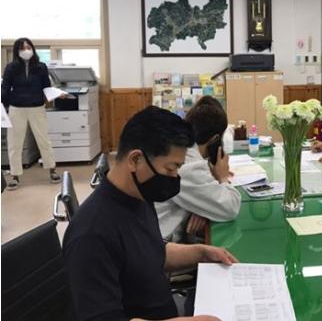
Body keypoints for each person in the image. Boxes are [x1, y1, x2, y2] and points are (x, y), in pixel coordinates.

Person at [63, 106, 237, 320]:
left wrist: (202, 253)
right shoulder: (91, 234)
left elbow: (150, 251)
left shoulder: (139, 196)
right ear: (135, 160)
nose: (175, 177)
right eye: (170, 168)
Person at [156, 96, 241, 243]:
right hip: (162, 245)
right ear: (215, 139)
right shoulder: (189, 167)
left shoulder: (181, 150)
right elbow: (230, 208)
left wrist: (204, 209)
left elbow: (201, 195)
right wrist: (223, 178)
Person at [1, 38, 61, 189]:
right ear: (17, 51)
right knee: (15, 143)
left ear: (33, 49)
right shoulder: (11, 68)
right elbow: (5, 88)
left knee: (43, 140)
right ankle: (15, 176)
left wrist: (58, 94)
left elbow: (46, 87)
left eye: (28, 47)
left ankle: (52, 170)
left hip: (36, 107)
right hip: (17, 108)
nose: (26, 50)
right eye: (22, 48)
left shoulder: (41, 67)